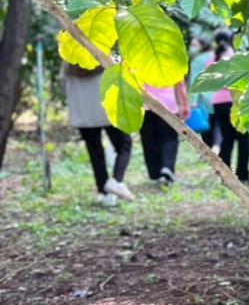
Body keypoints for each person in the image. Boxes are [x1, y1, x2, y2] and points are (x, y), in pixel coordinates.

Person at [63, 61, 135, 207]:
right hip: (108, 111)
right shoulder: (102, 57)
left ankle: (105, 192)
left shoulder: (69, 60)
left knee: (95, 153)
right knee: (124, 145)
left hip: (83, 114)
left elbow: (64, 84)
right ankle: (116, 181)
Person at [209, 28, 249, 182]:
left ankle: (225, 176)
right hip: (236, 103)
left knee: (226, 140)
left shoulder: (212, 60)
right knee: (243, 140)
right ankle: (243, 174)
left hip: (218, 103)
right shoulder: (235, 58)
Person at [140, 79, 190, 186]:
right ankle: (167, 167)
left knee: (149, 141)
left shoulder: (138, 63)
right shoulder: (171, 62)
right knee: (170, 138)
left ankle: (155, 174)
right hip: (168, 105)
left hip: (146, 105)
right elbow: (180, 84)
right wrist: (185, 105)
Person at [187, 36, 217, 148]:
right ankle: (218, 149)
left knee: (208, 130)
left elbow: (195, 81)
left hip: (205, 100)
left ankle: (212, 151)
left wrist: (192, 101)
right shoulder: (217, 56)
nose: (191, 48)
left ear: (203, 46)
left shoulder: (198, 61)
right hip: (221, 98)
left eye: (195, 45)